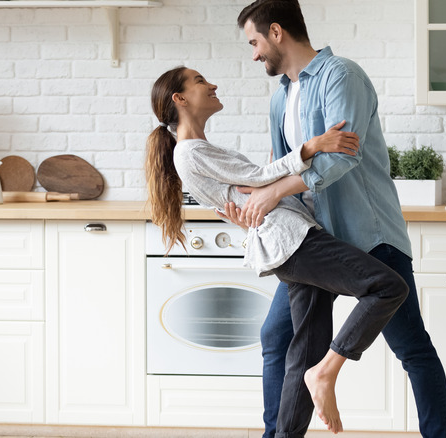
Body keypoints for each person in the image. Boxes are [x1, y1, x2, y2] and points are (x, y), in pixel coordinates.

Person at [227, 1, 446, 437]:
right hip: (314, 245)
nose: (254, 54)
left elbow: (340, 160)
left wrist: (273, 192)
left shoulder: (341, 76)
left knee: (411, 349)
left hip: (370, 236)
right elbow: (281, 165)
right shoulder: (281, 98)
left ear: (276, 32)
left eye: (254, 42)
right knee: (276, 338)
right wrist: (258, 206)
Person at [145, 65, 408, 436]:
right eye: (201, 80)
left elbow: (243, 194)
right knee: (387, 287)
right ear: (180, 98)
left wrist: (267, 182)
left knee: (305, 349)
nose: (213, 83)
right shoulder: (188, 152)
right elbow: (256, 182)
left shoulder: (198, 150)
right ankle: (326, 372)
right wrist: (312, 145)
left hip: (291, 241)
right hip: (294, 242)